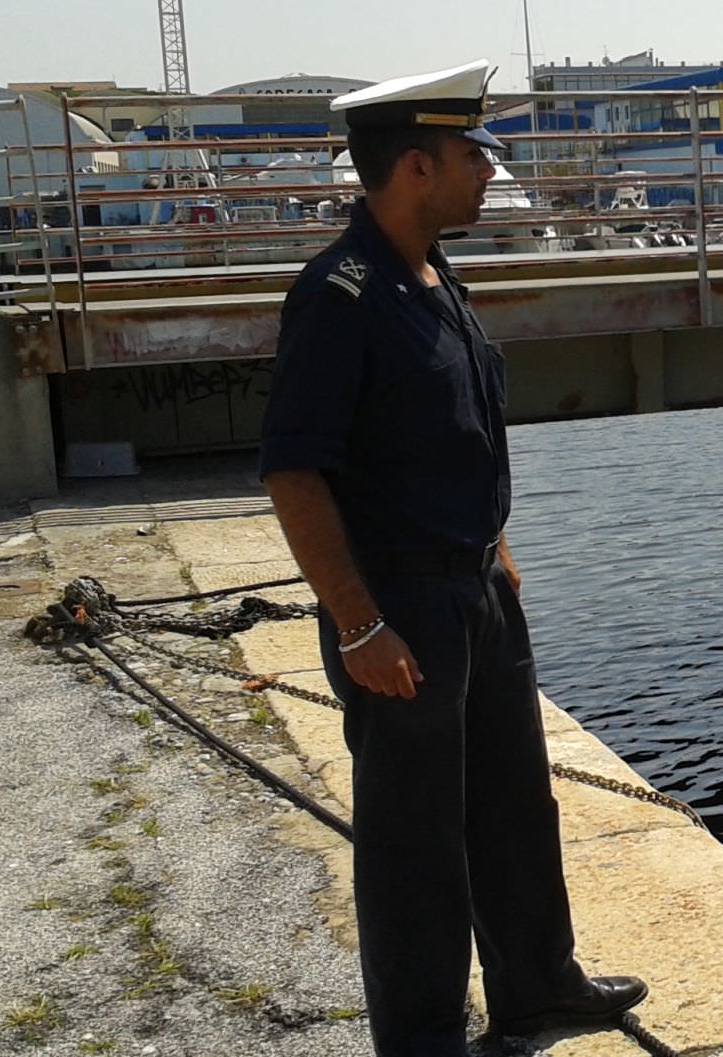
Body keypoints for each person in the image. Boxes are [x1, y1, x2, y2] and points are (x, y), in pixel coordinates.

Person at [258, 60, 646, 1057]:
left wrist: (500, 553)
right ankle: (424, 1038)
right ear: (416, 166)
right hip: (401, 609)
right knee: (412, 844)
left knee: (515, 804)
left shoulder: (433, 272)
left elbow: (455, 432)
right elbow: (296, 474)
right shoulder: (340, 296)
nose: (488, 173)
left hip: (475, 590)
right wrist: (358, 624)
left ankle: (537, 986)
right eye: (474, 156)